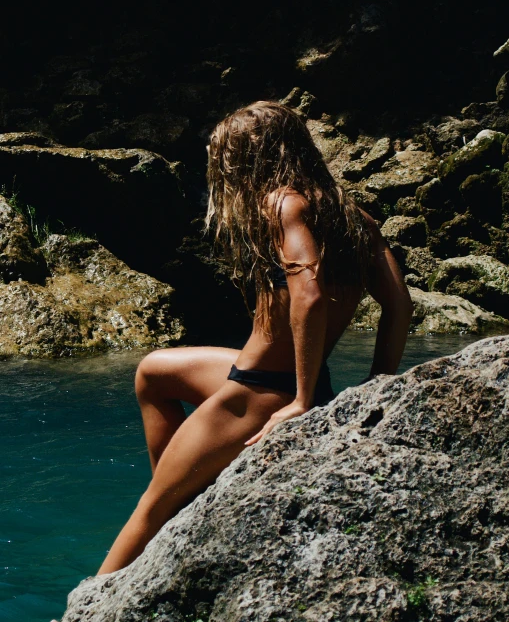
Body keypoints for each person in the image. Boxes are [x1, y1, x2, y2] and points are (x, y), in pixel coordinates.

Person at [96, 100, 413, 575]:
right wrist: (377, 382)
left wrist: (303, 401)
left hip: (262, 392)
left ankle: (97, 598)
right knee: (153, 372)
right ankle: (190, 487)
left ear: (252, 159)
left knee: (148, 510)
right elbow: (400, 305)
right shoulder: (354, 217)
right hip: (279, 375)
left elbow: (307, 294)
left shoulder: (281, 203)